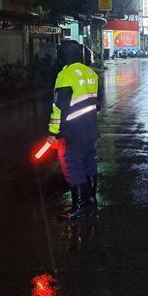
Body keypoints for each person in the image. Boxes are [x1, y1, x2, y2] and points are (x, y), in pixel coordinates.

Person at [47, 40, 100, 221]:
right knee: (89, 163)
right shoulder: (91, 73)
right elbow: (97, 103)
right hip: (91, 128)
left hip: (72, 132)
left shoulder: (65, 75)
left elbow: (59, 108)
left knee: (73, 166)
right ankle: (91, 198)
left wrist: (53, 133)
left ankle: (78, 207)